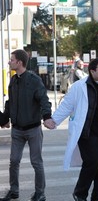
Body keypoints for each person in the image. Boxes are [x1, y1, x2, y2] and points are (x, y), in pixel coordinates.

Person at [44, 58, 98, 201]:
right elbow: (67, 105)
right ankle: (80, 193)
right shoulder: (79, 87)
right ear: (92, 71)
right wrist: (54, 120)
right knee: (93, 161)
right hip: (87, 133)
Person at [0, 49, 52, 201]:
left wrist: (47, 117)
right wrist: (4, 119)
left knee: (36, 162)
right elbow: (10, 102)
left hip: (33, 129)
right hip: (17, 130)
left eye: (12, 59)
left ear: (19, 62)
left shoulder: (34, 80)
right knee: (14, 161)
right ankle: (14, 190)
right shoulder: (13, 80)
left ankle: (40, 193)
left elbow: (44, 100)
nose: (9, 62)